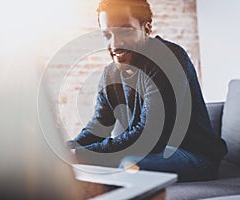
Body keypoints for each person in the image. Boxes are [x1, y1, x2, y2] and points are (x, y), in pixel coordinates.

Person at [68, 0, 227, 182]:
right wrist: (67, 149)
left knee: (131, 166)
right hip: (151, 154)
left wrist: (81, 155)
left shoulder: (169, 59)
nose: (115, 43)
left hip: (195, 156)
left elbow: (149, 135)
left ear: (147, 28)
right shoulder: (109, 75)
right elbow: (98, 127)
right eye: (107, 35)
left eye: (125, 31)